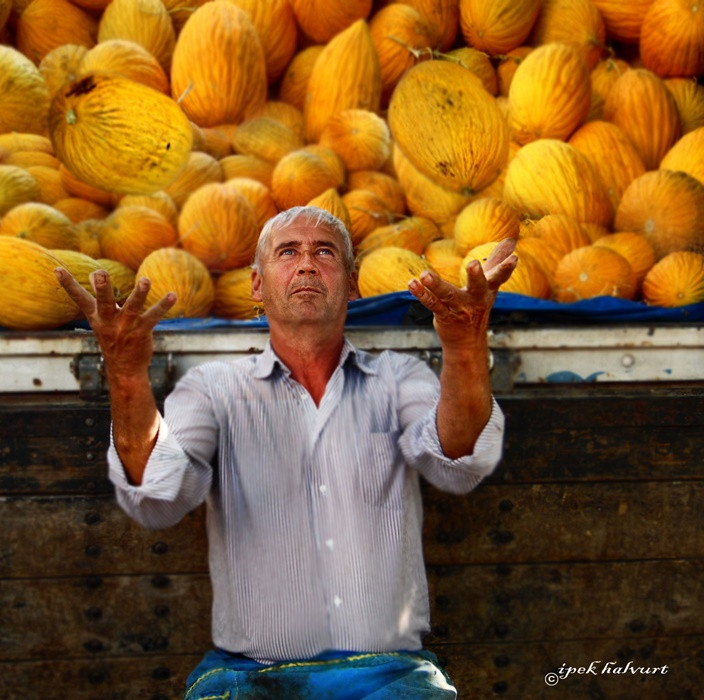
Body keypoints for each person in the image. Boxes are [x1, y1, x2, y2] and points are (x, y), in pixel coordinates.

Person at [55, 205, 518, 699]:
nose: (306, 264)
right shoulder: (213, 390)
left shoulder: (396, 379)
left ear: (352, 282)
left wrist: (466, 345)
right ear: (256, 284)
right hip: (249, 675)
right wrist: (126, 374)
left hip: (389, 673)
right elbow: (158, 489)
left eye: (324, 252)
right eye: (288, 252)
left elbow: (460, 456)